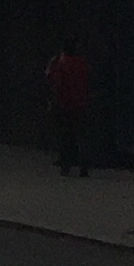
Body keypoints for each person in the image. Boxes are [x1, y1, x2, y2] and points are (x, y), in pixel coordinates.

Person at [46, 36, 92, 176]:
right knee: (81, 136)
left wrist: (53, 102)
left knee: (65, 135)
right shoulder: (82, 63)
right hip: (81, 103)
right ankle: (84, 165)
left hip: (65, 104)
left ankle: (65, 165)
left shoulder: (61, 63)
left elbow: (55, 82)